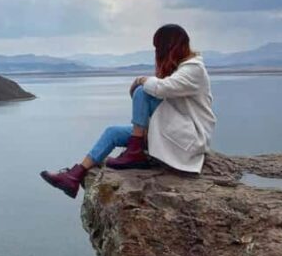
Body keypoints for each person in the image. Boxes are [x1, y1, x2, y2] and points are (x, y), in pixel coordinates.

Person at [40, 24, 216, 198]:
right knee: (113, 132)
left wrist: (141, 80)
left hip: (189, 138)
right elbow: (158, 94)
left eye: (159, 48)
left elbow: (162, 89)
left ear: (169, 47)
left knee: (142, 90)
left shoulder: (194, 69)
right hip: (171, 132)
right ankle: (74, 176)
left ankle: (135, 152)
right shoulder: (181, 69)